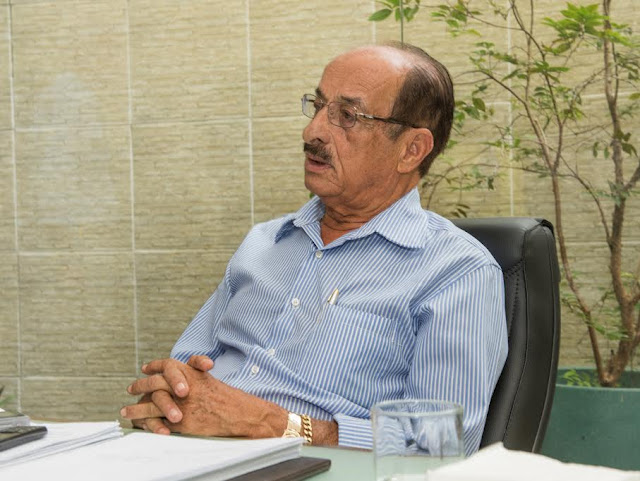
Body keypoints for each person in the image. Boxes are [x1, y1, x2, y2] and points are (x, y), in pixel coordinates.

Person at [120, 42, 508, 455]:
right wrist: (168, 399)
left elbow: (440, 444)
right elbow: (184, 374)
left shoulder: (456, 271)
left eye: (347, 116)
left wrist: (274, 425)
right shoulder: (264, 243)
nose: (312, 132)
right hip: (185, 457)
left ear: (411, 150)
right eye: (319, 107)